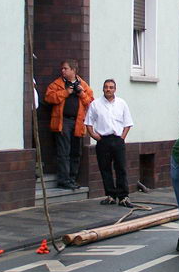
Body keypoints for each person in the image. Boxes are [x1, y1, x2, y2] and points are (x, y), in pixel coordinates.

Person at [45, 59, 94, 190]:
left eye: (65, 69)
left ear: (73, 70)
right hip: (63, 121)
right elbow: (49, 98)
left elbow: (91, 103)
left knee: (75, 151)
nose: (63, 71)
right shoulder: (57, 84)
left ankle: (72, 178)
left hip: (77, 122)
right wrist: (66, 92)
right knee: (63, 152)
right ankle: (63, 179)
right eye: (62, 69)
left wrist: (81, 93)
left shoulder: (83, 84)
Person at [84, 79, 134, 207]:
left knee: (121, 168)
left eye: (111, 87)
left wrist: (122, 137)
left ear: (115, 89)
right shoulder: (95, 104)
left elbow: (128, 123)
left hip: (118, 139)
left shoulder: (122, 103)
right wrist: (95, 136)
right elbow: (88, 123)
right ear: (103, 89)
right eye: (106, 87)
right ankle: (111, 195)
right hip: (103, 140)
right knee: (105, 168)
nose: (108, 89)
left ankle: (123, 197)